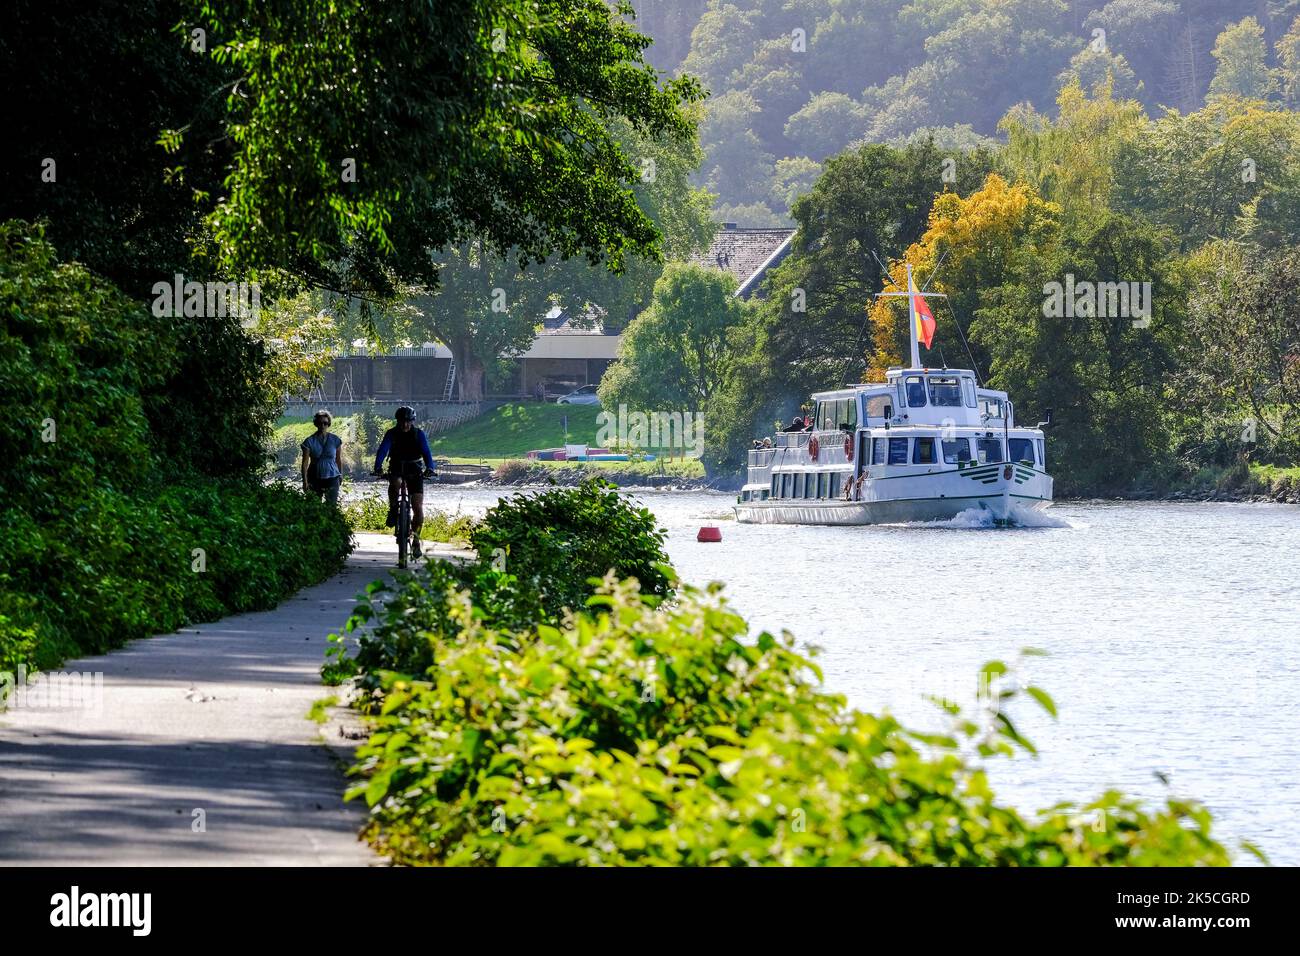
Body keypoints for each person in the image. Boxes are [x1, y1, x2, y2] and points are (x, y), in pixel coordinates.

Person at [372, 406, 436, 557]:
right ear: (398, 421)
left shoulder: (418, 434)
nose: (405, 425)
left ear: (412, 421)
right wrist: (378, 467)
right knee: (395, 482)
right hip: (397, 465)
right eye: (402, 421)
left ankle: (416, 540)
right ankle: (394, 508)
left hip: (414, 468)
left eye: (408, 422)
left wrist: (430, 467)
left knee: (418, 507)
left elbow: (426, 452)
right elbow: (383, 450)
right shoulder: (391, 434)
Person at [300, 409, 343, 507]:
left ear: (328, 424)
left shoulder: (335, 440)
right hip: (314, 477)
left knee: (331, 507)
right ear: (316, 424)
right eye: (320, 423)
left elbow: (338, 460)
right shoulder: (309, 441)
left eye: (325, 423)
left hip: (332, 477)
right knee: (314, 506)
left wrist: (340, 475)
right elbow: (305, 463)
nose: (322, 425)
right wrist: (305, 481)